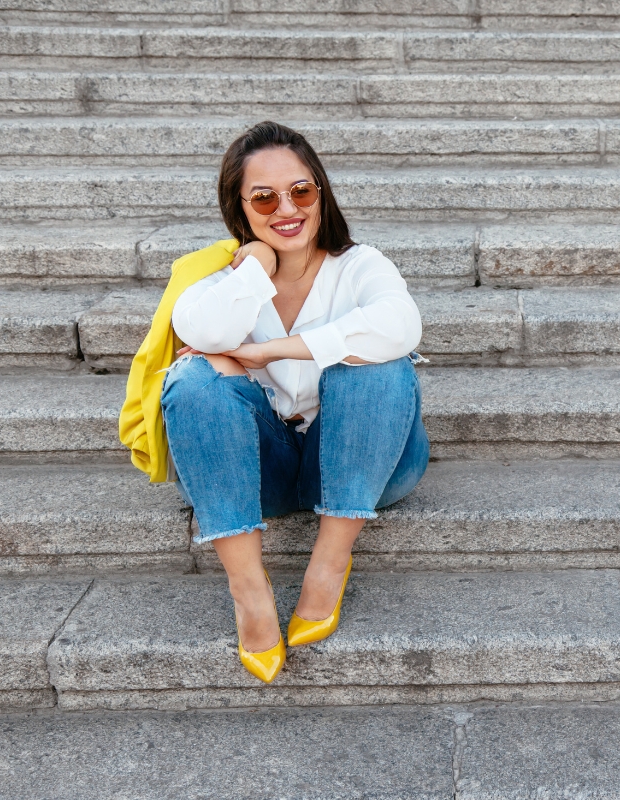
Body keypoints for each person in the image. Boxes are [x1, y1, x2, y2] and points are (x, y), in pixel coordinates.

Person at [151, 121, 428, 683]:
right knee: (194, 380)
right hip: (263, 469)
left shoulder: (360, 266)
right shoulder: (222, 278)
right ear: (240, 209)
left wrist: (270, 350)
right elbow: (197, 327)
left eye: (301, 191)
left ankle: (329, 565)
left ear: (321, 192)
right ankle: (248, 589)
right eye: (264, 197)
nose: (287, 208)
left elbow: (400, 325)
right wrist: (255, 268)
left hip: (365, 460)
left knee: (375, 363)